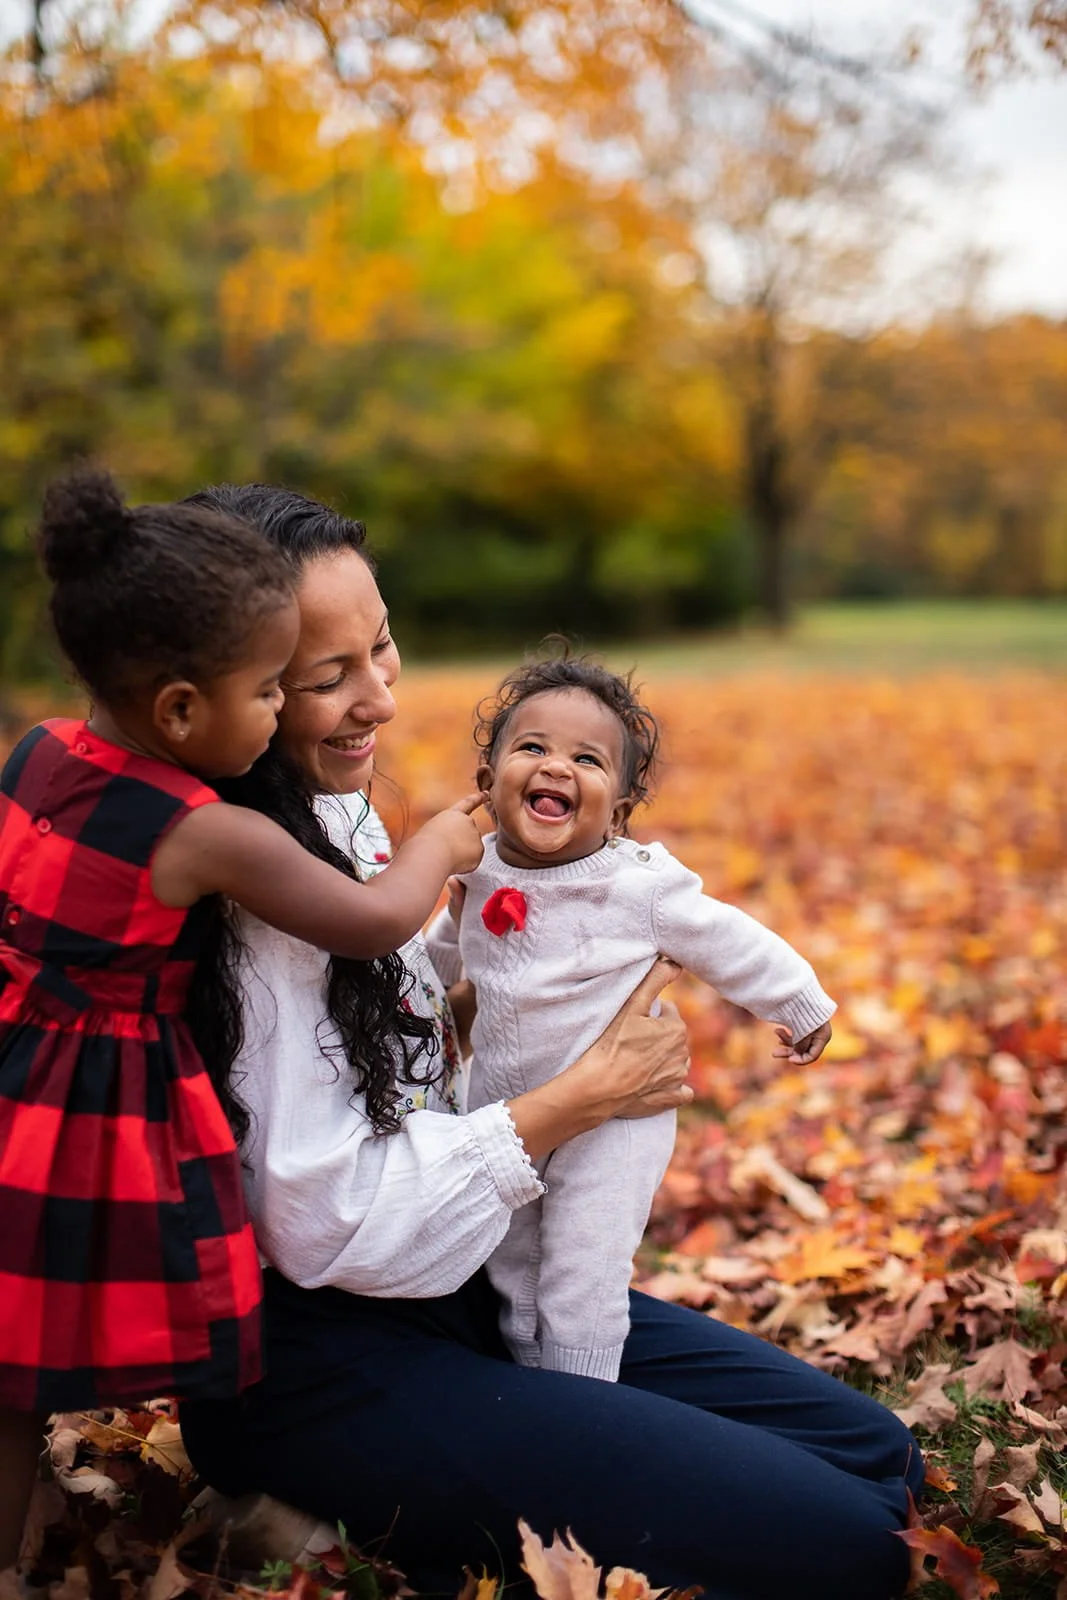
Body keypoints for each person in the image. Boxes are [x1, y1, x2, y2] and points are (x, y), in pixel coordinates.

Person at [176, 482, 923, 1600]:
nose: (379, 697)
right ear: (235, 694)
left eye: (380, 649)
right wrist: (584, 1093)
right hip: (322, 1361)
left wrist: (488, 1010)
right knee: (848, 1548)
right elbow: (328, 1221)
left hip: (455, 1284)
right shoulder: (246, 887)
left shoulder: (331, 809)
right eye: (328, 678)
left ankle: (427, 1501)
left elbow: (391, 1039)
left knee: (879, 1455)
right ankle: (301, 1511)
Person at [0, 469, 483, 1571]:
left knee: (8, 1360)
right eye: (274, 688)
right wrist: (437, 850)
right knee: (61, 1333)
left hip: (14, 1061)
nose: (277, 716)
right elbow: (365, 922)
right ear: (178, 708)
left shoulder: (37, 749)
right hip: (90, 1110)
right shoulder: (205, 829)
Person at [424, 653, 835, 1382]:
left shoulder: (635, 886)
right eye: (532, 748)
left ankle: (585, 1390)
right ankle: (531, 1368)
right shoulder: (475, 869)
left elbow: (725, 938)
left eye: (586, 759)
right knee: (510, 1251)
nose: (556, 767)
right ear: (487, 784)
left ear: (615, 811)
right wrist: (415, 994)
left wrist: (797, 1002)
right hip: (504, 1106)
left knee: (583, 1258)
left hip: (614, 1117)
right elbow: (444, 954)